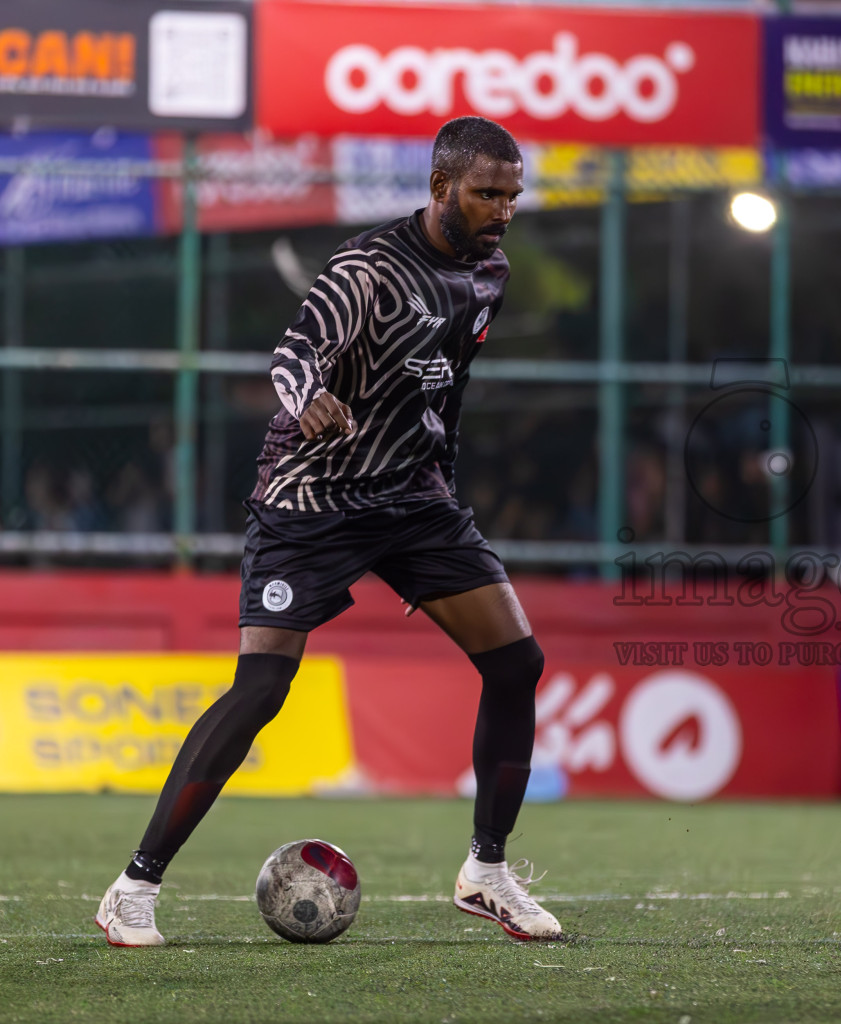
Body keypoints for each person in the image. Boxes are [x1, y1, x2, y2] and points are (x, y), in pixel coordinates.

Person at [95, 117, 561, 947]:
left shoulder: (490, 272)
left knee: (517, 660)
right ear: (440, 187)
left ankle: (486, 872)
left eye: (512, 195)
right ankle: (134, 888)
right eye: (487, 192)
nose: (503, 209)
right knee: (262, 690)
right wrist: (306, 396)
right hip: (313, 494)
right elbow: (293, 354)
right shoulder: (367, 268)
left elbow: (445, 389)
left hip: (413, 499)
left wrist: (439, 483)